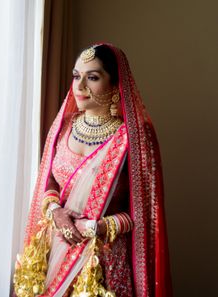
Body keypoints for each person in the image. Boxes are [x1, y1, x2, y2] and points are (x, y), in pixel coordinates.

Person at [14, 43, 172, 297]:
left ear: (115, 85)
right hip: (56, 251)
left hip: (104, 264)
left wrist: (97, 228)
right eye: (77, 76)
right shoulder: (64, 128)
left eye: (93, 77)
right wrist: (56, 212)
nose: (80, 86)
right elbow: (50, 180)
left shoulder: (133, 137)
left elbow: (144, 215)